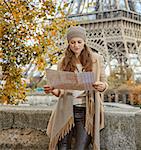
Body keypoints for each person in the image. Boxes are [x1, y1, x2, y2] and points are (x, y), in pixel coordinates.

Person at [44, 26, 108, 150]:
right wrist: (52, 89)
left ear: (84, 42)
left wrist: (102, 86)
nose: (76, 45)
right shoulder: (62, 62)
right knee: (62, 147)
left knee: (81, 147)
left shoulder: (97, 60)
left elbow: (105, 83)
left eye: (79, 42)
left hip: (86, 111)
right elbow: (59, 91)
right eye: (72, 42)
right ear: (68, 43)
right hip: (66, 110)